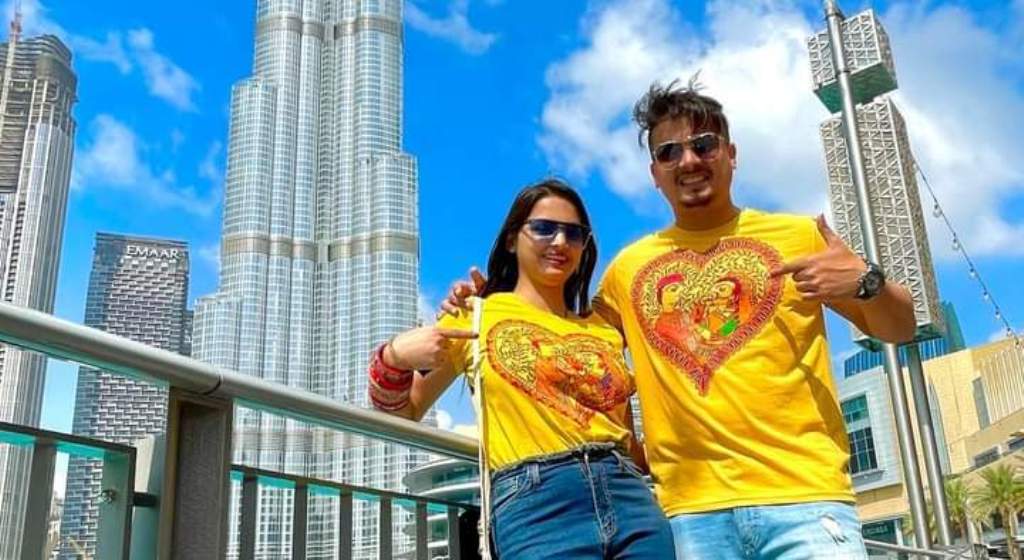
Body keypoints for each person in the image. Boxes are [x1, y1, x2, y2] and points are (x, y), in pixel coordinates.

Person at [443, 79, 917, 559]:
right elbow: (566, 335)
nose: (688, 161)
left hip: (807, 499)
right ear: (655, 173)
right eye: (669, 152)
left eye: (703, 145)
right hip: (689, 516)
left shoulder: (798, 237)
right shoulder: (628, 270)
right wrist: (489, 303)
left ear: (731, 153)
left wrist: (867, 280)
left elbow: (899, 328)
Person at [368, 179, 674, 559]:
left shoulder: (603, 330)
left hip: (630, 499)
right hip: (537, 508)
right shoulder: (475, 314)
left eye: (574, 233)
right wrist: (393, 358)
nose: (560, 242)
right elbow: (405, 410)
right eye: (544, 228)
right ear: (513, 239)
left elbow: (628, 441)